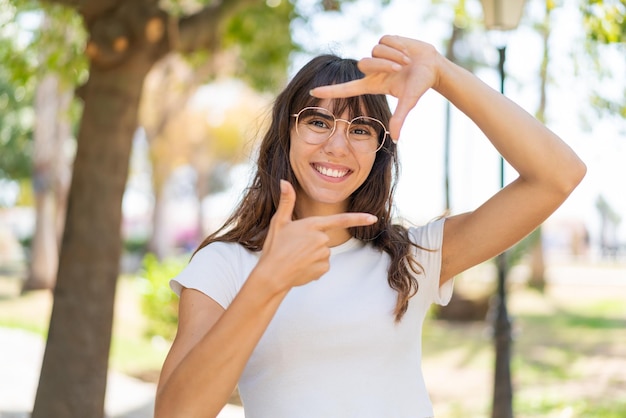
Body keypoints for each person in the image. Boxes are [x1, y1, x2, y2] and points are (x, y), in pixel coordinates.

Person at [154, 35, 586, 418]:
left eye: (360, 129)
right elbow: (176, 413)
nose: (337, 145)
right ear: (287, 131)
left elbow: (557, 176)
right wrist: (268, 280)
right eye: (318, 121)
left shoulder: (412, 258)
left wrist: (441, 73)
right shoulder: (225, 265)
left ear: (379, 150)